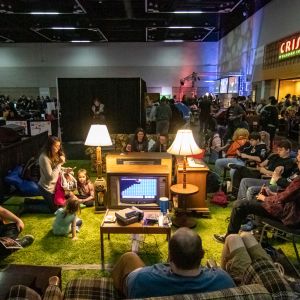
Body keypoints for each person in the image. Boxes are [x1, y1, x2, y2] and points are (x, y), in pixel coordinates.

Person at [112, 227, 235, 299]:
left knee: (129, 257)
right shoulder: (224, 280)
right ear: (202, 254)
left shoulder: (141, 280)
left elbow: (129, 283)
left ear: (170, 257)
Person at [214, 147, 300, 243]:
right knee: (252, 198)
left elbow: (283, 198)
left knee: (240, 205)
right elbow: (289, 195)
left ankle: (230, 238)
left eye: (299, 155)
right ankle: (255, 231)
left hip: (289, 215)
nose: (297, 158)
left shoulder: (296, 175)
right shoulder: (280, 160)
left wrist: (265, 198)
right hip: (286, 208)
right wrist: (272, 193)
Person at [23, 136, 66, 214]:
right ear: (50, 146)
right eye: (56, 146)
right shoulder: (44, 158)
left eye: (59, 146)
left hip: (53, 186)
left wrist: (65, 170)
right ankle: (27, 207)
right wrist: (59, 163)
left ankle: (29, 201)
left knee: (58, 206)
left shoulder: (54, 154)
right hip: (46, 188)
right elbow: (50, 177)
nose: (58, 148)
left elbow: (55, 169)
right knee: (55, 211)